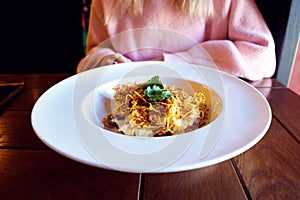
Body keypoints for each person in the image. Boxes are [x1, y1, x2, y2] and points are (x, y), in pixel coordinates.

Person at [77, 0, 276, 81]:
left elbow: (263, 57)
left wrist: (172, 64)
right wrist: (109, 61)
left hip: (203, 108)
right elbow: (94, 52)